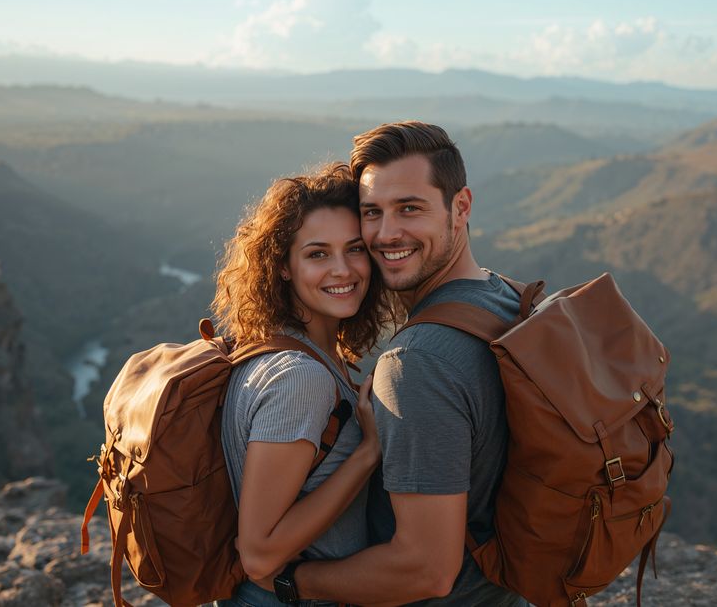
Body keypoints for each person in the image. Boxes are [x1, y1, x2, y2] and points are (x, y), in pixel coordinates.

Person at [272, 122, 527, 606]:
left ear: (461, 207)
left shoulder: (418, 362)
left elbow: (425, 570)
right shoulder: (505, 297)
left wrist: (296, 582)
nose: (387, 234)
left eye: (409, 208)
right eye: (372, 213)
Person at [211, 162, 397, 607]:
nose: (343, 269)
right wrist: (368, 453)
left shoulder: (284, 350)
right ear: (284, 267)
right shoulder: (300, 378)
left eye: (354, 249)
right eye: (317, 254)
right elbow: (258, 554)